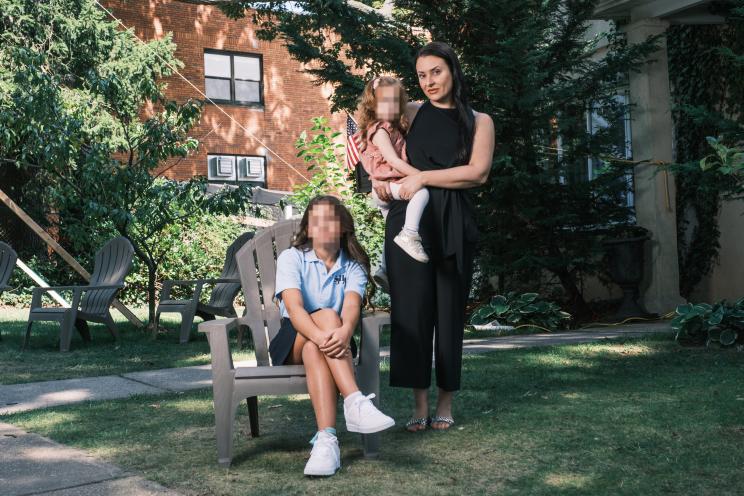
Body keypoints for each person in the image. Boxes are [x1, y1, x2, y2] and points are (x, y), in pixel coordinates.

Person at [372, 42, 495, 432]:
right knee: (410, 313)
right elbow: (369, 122)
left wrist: (423, 176)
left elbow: (477, 174)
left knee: (448, 312)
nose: (429, 82)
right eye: (422, 75)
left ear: (453, 71)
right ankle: (418, 403)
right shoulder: (410, 112)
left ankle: (446, 401)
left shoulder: (479, 121)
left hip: (453, 221)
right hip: (408, 220)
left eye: (436, 72)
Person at [269, 195, 395, 476]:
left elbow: (351, 309)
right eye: (317, 221)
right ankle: (355, 401)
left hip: (336, 339)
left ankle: (326, 442)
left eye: (330, 219)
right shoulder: (292, 258)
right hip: (294, 339)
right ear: (308, 229)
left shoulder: (353, 265)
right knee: (325, 316)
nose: (323, 226)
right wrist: (325, 332)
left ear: (342, 227)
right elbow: (295, 310)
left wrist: (342, 332)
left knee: (318, 346)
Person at [354, 76, 431, 291]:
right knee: (422, 193)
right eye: (383, 102)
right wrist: (420, 176)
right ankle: (410, 234)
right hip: (385, 185)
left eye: (394, 101)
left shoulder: (393, 126)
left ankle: (383, 268)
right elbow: (394, 160)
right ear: (373, 105)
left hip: (388, 184)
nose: (390, 106)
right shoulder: (379, 130)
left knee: (390, 230)